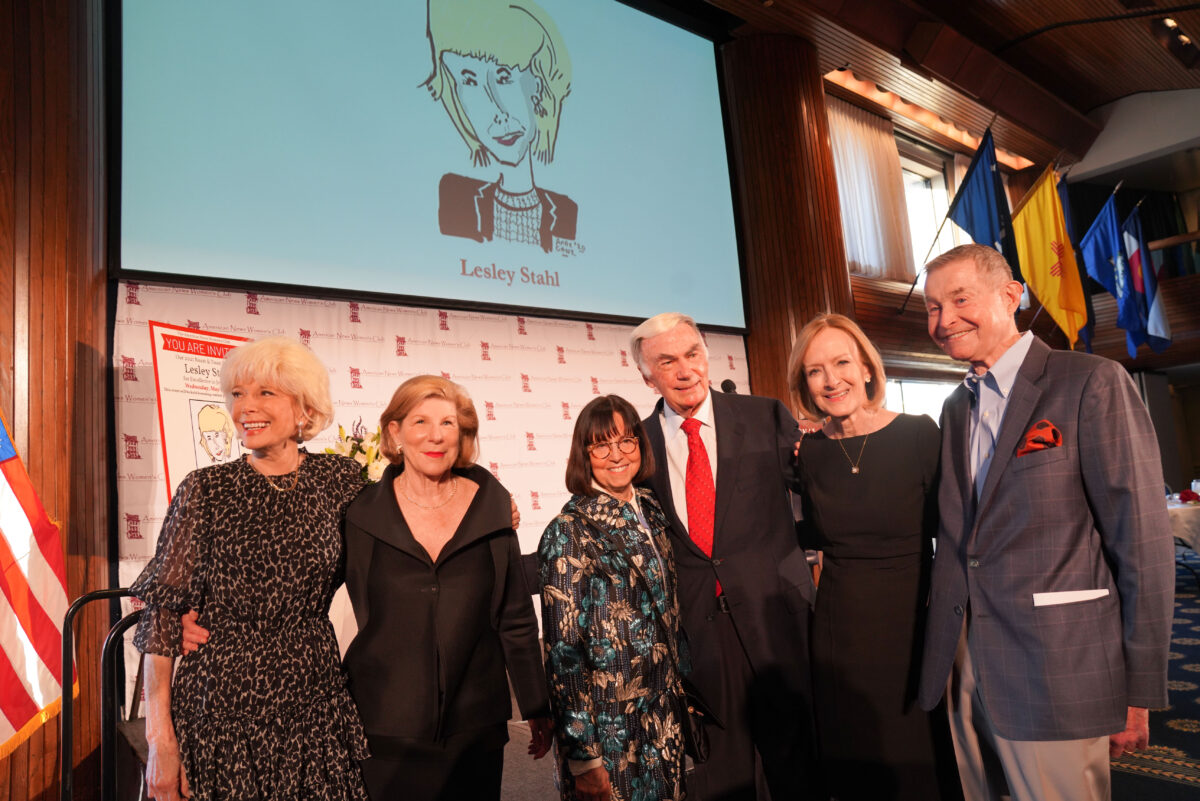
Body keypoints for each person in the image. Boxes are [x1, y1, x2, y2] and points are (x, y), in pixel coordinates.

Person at [918, 244, 1175, 801]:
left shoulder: (1091, 382)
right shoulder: (954, 408)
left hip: (1059, 667)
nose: (944, 320)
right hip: (966, 663)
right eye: (932, 307)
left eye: (960, 299)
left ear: (1012, 296)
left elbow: (1144, 545)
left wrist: (1140, 687)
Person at [132, 337, 370, 801]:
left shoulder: (340, 482)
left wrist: (486, 500)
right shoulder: (206, 490)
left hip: (312, 701)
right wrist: (159, 738)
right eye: (238, 394)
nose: (246, 407)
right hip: (218, 706)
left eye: (266, 393)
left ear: (304, 408)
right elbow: (161, 617)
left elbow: (412, 517)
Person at [630, 312, 820, 801]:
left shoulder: (764, 415)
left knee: (798, 765)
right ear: (647, 375)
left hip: (775, 615)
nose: (684, 369)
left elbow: (818, 491)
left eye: (692, 354)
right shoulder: (637, 444)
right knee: (723, 776)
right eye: (666, 361)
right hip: (698, 631)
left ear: (707, 357)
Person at [340, 375, 553, 800]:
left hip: (475, 726)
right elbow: (306, 591)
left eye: (449, 424)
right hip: (385, 724)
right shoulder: (359, 515)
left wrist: (535, 704)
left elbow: (515, 617)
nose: (435, 436)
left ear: (464, 435)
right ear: (395, 433)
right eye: (420, 422)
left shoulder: (492, 510)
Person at [787, 313, 959, 801]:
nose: (830, 379)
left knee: (919, 764)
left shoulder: (920, 435)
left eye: (841, 362)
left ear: (866, 368)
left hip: (914, 629)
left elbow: (950, 536)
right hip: (841, 633)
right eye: (815, 370)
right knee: (857, 768)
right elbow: (808, 534)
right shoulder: (810, 454)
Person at [539, 395, 689, 801]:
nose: (617, 454)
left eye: (627, 440)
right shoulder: (568, 531)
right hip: (610, 729)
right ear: (584, 454)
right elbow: (563, 652)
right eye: (602, 445)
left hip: (663, 715)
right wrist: (583, 757)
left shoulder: (652, 509)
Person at [424, 0, 578, 254]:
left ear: (538, 85)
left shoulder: (566, 213)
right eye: (469, 81)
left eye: (504, 76)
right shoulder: (454, 197)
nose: (498, 112)